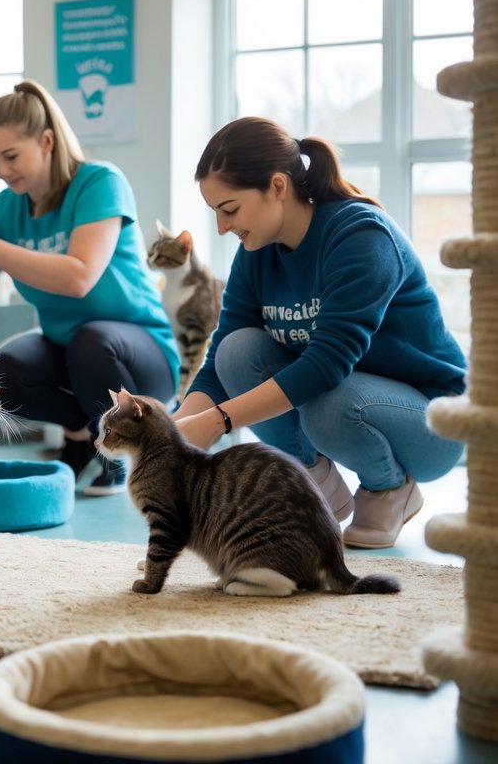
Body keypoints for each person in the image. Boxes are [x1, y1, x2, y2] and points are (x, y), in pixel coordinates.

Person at [174, 116, 466, 548]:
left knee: (330, 399)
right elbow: (219, 364)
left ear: (277, 186)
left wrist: (217, 422)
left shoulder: (360, 234)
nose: (222, 227)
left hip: (431, 421)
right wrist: (172, 433)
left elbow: (327, 364)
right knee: (238, 351)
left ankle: (389, 488)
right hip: (344, 394)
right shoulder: (256, 252)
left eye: (229, 209)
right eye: (215, 212)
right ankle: (313, 485)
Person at [0, 80, 178, 495]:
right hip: (69, 352)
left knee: (94, 341)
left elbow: (79, 277)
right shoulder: (6, 209)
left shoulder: (99, 182)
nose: (0, 170)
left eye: (11, 156)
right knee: (4, 373)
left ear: (47, 141)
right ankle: (83, 435)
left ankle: (121, 454)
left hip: (138, 357)